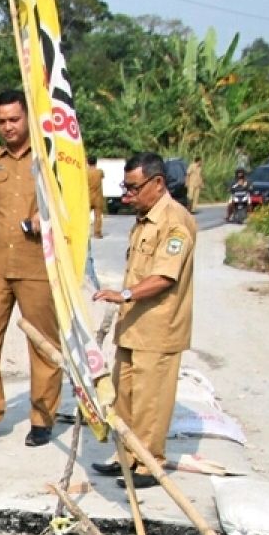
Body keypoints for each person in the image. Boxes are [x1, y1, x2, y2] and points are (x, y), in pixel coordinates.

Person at [0, 89, 62, 449]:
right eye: (1, 121)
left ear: (28, 118)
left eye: (13, 120)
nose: (7, 127)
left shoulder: (51, 157)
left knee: (44, 344)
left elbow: (71, 210)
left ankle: (42, 419)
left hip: (37, 264)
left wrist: (45, 217)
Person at [91, 152, 195, 489]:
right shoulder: (144, 219)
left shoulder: (174, 222)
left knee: (151, 401)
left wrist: (122, 295)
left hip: (158, 328)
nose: (128, 195)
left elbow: (165, 277)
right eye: (126, 187)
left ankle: (149, 464)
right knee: (126, 397)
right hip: (133, 326)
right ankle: (129, 458)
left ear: (158, 183)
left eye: (134, 188)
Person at [87, 155, 105, 239]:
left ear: (88, 162)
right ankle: (97, 233)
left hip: (88, 197)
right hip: (98, 197)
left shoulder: (85, 172)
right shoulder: (100, 172)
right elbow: (102, 176)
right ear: (96, 162)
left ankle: (85, 232)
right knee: (98, 216)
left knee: (85, 216)